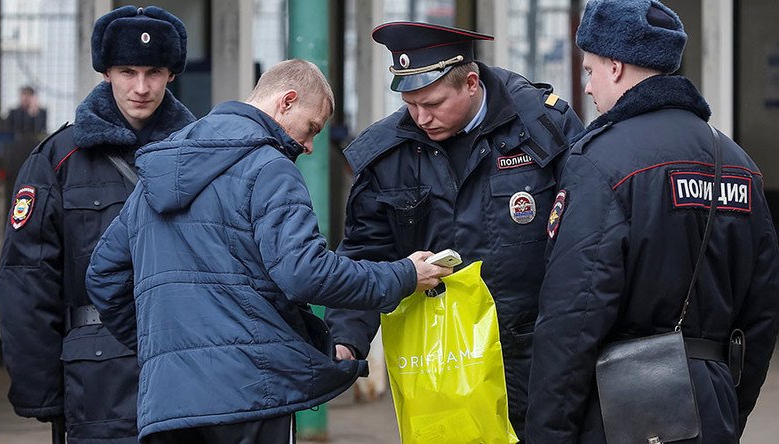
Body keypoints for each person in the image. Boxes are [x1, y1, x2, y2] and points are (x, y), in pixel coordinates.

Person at [84, 58, 452, 444]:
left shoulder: (159, 170)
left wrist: (168, 349)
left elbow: (103, 276)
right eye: (311, 129)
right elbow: (305, 273)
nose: (309, 147)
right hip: (252, 395)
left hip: (167, 404)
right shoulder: (269, 167)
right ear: (287, 102)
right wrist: (405, 275)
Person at [525, 0, 779, 442]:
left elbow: (574, 316)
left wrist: (548, 432)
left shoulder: (602, 160)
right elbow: (761, 313)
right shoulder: (740, 164)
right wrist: (728, 409)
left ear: (617, 67)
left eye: (589, 71)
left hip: (619, 411)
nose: (586, 88)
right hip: (711, 409)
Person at [324, 21, 584, 437]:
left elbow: (585, 237)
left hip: (538, 355)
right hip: (442, 361)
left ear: (471, 83)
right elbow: (365, 252)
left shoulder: (544, 128)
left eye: (432, 103)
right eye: (410, 104)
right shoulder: (389, 154)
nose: (421, 118)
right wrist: (345, 339)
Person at [0, 6, 195, 443]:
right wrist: (43, 391)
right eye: (127, 71)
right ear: (106, 72)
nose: (140, 88)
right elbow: (27, 280)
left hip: (190, 375)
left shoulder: (201, 156)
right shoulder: (57, 160)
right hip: (95, 386)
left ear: (171, 75)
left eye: (153, 72)